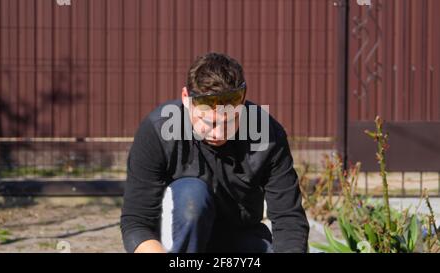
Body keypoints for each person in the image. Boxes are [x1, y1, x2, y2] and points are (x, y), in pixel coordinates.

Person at [120, 52, 309, 253]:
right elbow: (136, 223)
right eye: (207, 122)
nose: (218, 133)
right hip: (177, 241)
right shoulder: (158, 131)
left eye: (229, 121)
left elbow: (288, 218)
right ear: (186, 99)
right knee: (192, 195)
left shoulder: (267, 134)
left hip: (240, 236)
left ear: (242, 101)